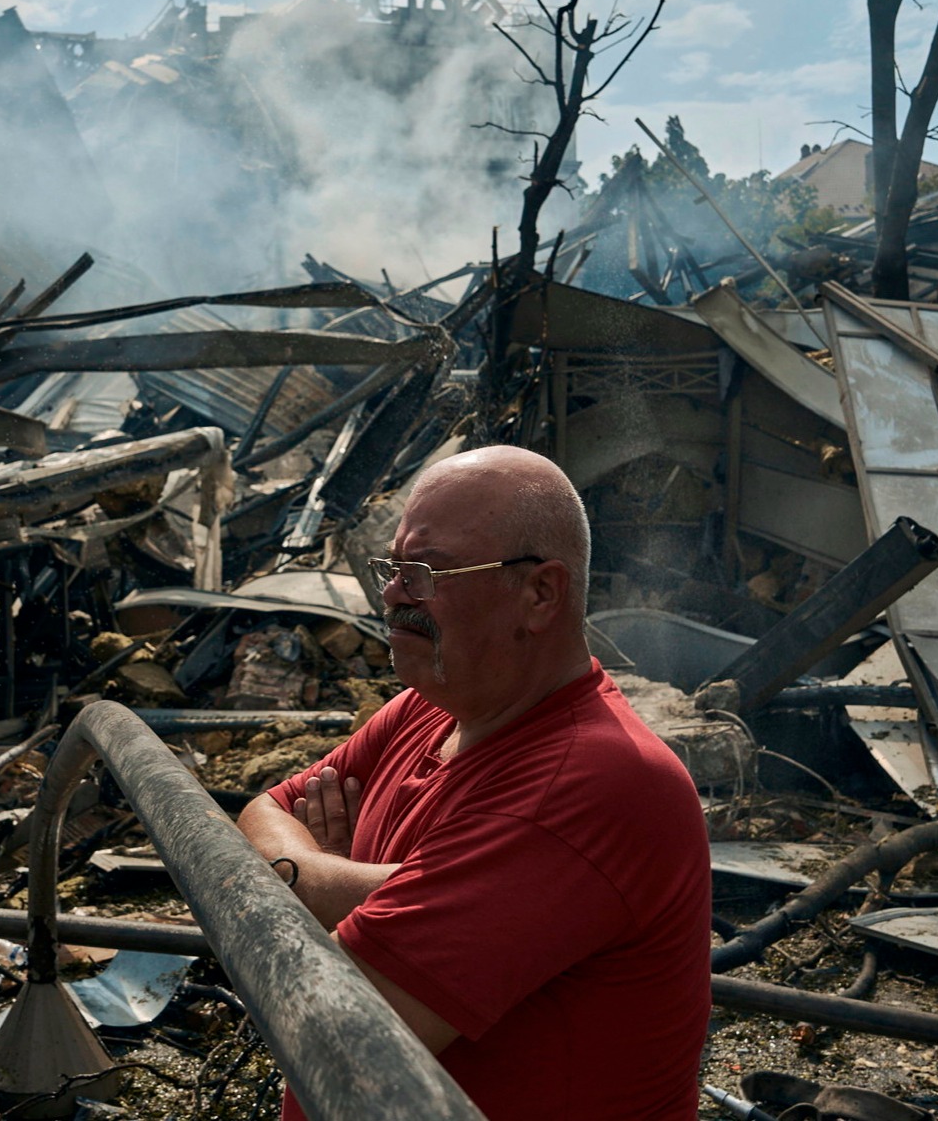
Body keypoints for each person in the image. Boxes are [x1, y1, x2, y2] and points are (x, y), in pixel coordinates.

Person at [239, 445, 710, 1119]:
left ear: (539, 593)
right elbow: (264, 808)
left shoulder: (594, 785)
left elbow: (336, 1022)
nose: (396, 591)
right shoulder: (429, 705)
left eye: (430, 570)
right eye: (395, 566)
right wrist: (363, 884)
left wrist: (302, 881)